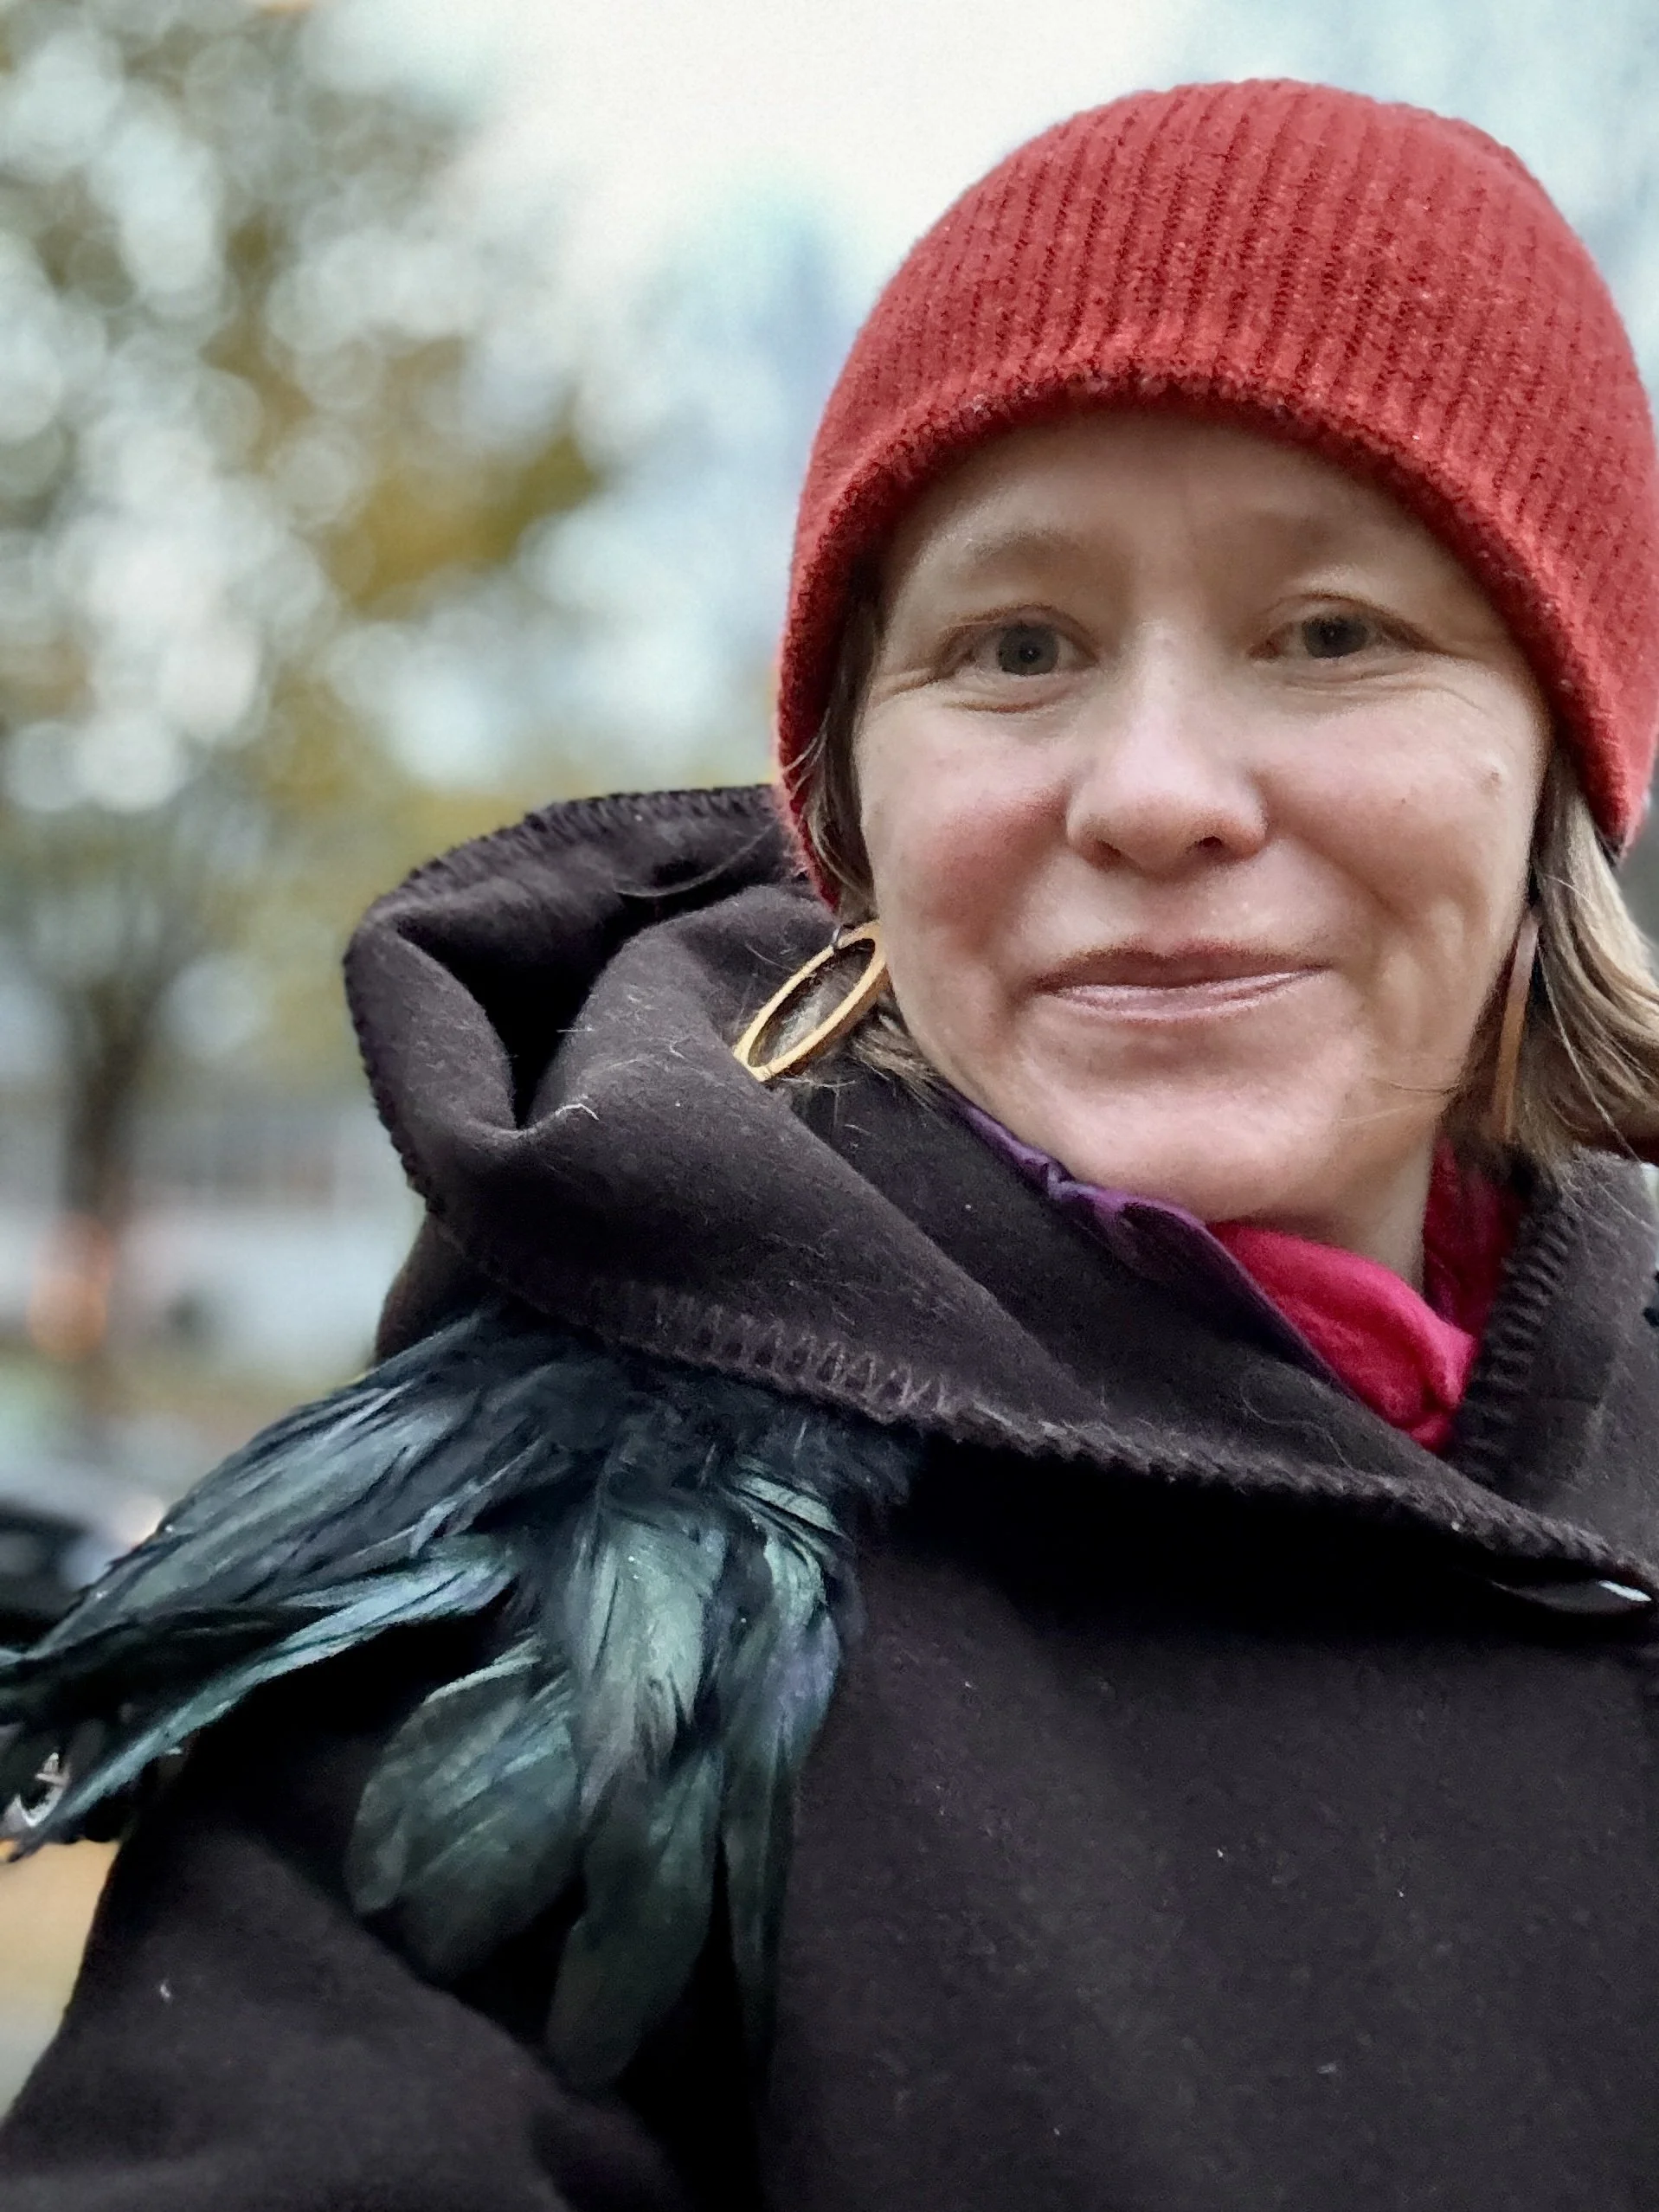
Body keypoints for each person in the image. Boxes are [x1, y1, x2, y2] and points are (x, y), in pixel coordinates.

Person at [5, 75, 1659, 2212]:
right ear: (850, 803)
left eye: (1329, 633)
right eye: (1017, 645)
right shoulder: (576, 1598)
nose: (1154, 792)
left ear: (1556, 766)